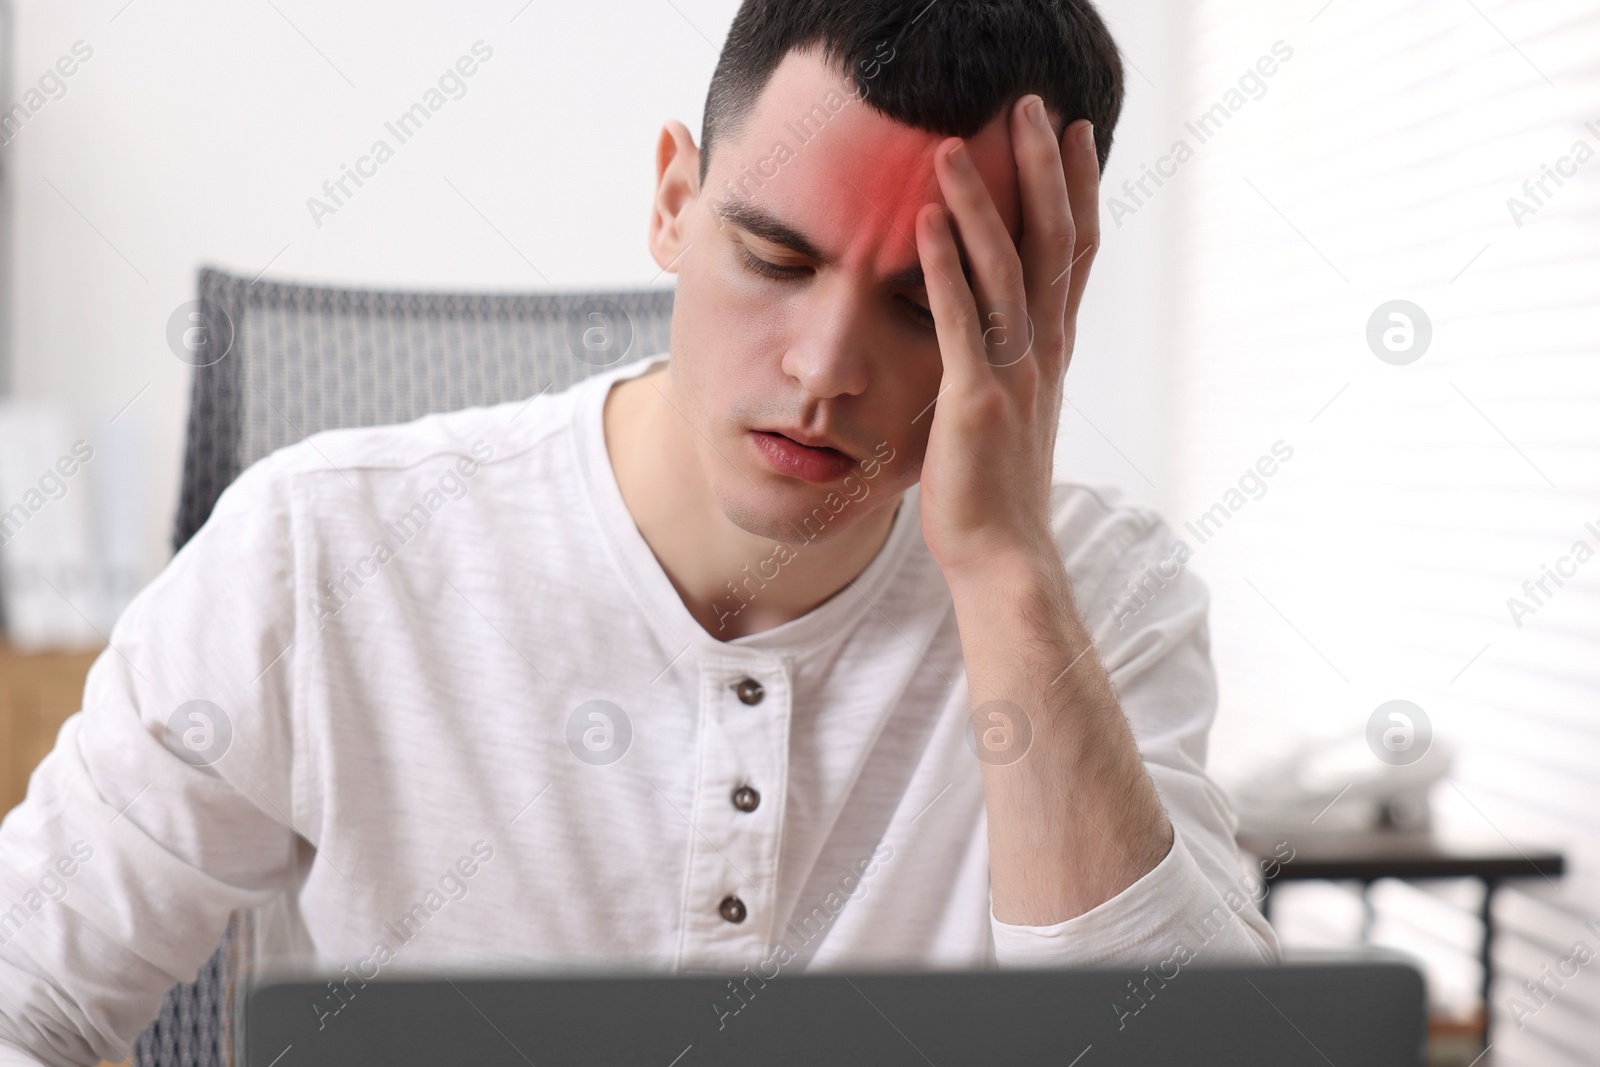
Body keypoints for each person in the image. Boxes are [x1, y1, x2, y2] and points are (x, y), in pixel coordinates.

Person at [0, 0, 1275, 1061]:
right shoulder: (317, 551)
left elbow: (1192, 1053)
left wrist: (1003, 570)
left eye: (916, 305)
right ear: (673, 198)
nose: (824, 367)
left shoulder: (1098, 591)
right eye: (775, 259)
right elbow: (25, 995)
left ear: (1032, 309)